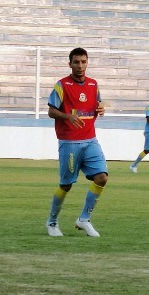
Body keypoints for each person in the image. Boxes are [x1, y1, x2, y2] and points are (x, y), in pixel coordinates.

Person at [45, 47, 107, 237]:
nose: (80, 66)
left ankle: (84, 219)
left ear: (87, 62)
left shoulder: (93, 84)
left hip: (90, 140)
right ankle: (52, 222)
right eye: (76, 62)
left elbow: (97, 105)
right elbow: (50, 111)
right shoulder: (62, 85)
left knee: (102, 178)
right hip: (69, 142)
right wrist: (67, 116)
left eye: (83, 62)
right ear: (70, 63)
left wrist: (101, 109)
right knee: (66, 185)